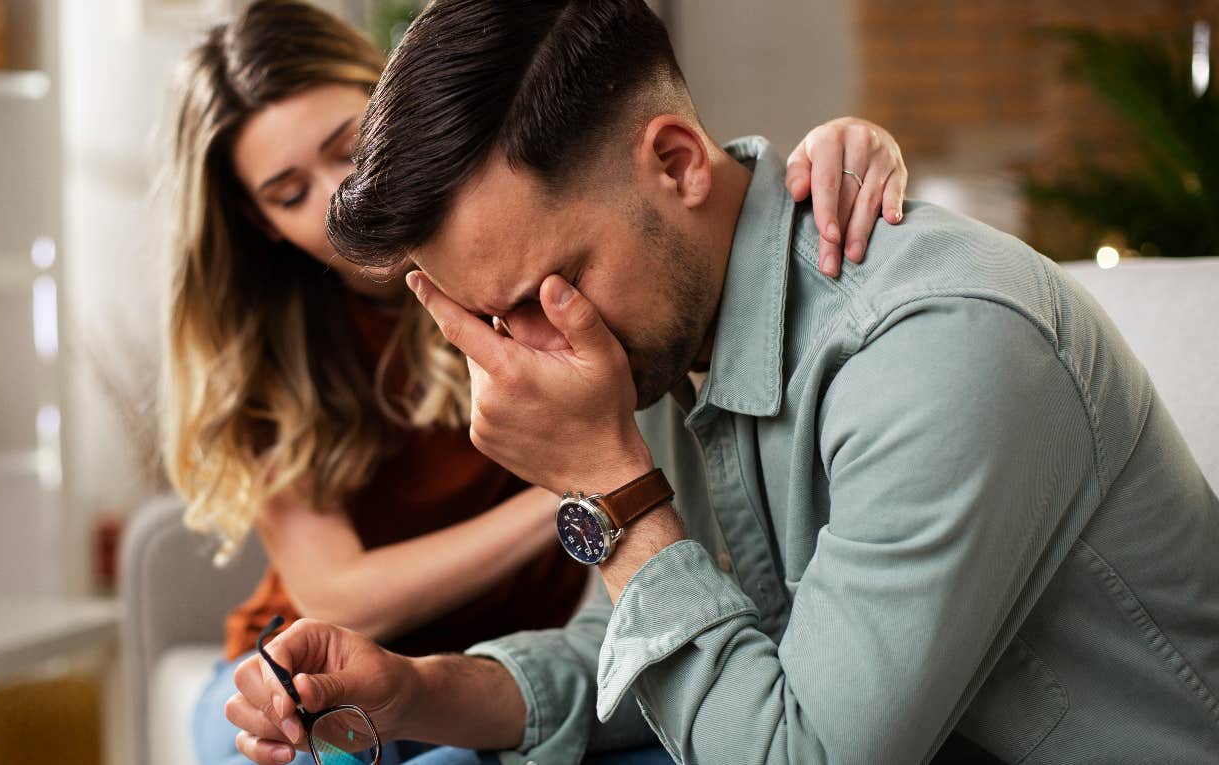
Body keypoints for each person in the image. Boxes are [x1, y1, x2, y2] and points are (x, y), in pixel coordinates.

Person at [225, 1, 1219, 764]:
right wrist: (418, 688)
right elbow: (625, 649)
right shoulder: (660, 334)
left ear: (675, 161)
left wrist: (614, 492)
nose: (529, 353)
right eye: (493, 320)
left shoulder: (937, 347)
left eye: (542, 291)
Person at [159, 2, 912, 763]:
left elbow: (707, 204)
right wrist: (592, 486)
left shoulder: (547, 249)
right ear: (255, 221)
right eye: (287, 194)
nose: (332, 199)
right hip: (359, 653)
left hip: (544, 647)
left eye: (350, 147)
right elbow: (338, 594)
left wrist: (837, 152)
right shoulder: (272, 354)